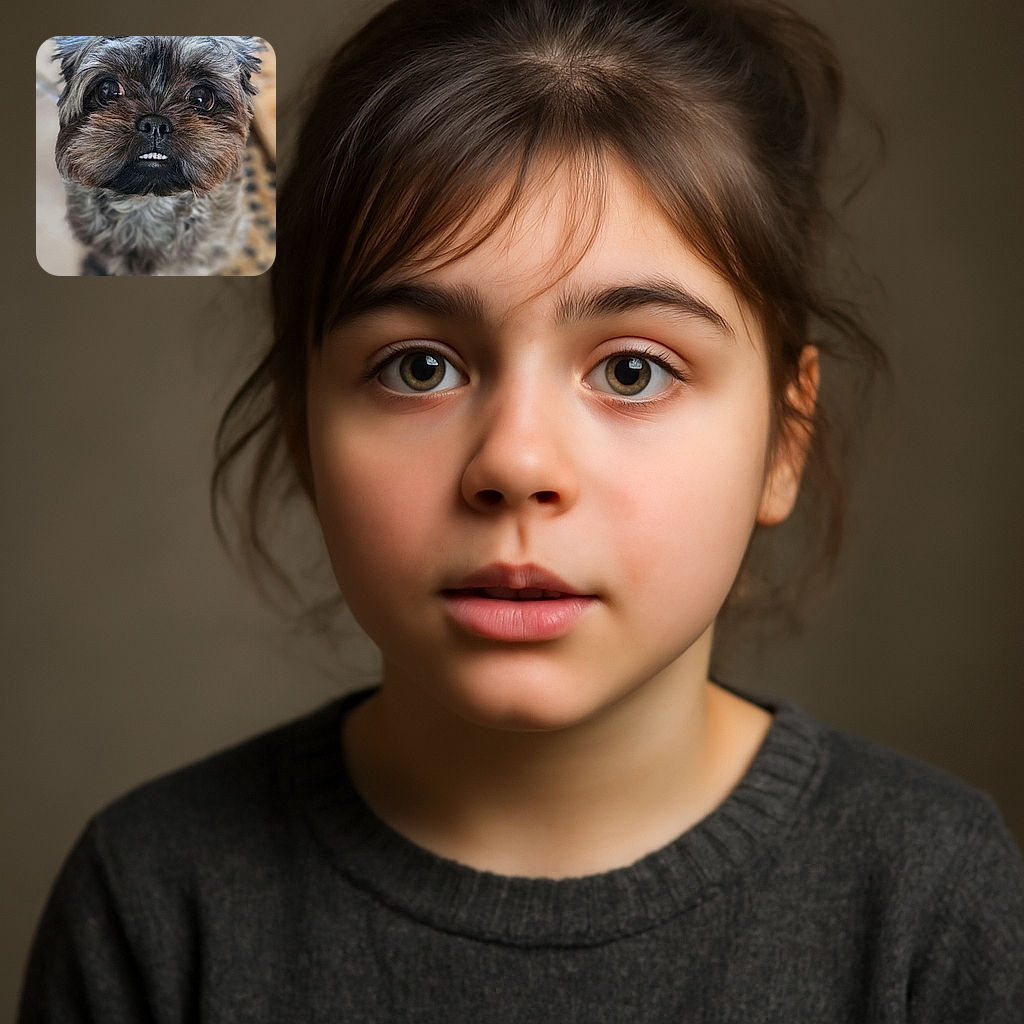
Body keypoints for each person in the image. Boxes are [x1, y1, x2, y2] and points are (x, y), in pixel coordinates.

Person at [19, 0, 1024, 1020]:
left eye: (632, 371)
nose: (515, 462)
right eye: (418, 366)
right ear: (301, 431)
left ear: (783, 441)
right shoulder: (153, 902)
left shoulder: (928, 898)